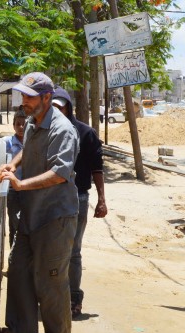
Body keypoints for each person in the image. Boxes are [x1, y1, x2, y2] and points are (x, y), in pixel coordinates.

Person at [0, 72, 79, 333]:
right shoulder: (33, 121)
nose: (24, 103)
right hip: (31, 213)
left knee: (51, 279)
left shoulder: (63, 130)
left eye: (29, 97)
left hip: (55, 216)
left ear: (46, 98)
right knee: (18, 269)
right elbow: (27, 150)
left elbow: (60, 173)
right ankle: (22, 331)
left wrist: (21, 183)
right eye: (22, 96)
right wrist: (12, 165)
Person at [51, 87, 108, 318]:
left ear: (68, 107)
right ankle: (52, 297)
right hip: (51, 198)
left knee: (73, 251)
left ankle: (74, 298)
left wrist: (102, 200)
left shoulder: (86, 133)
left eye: (60, 107)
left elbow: (97, 168)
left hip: (78, 198)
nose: (57, 111)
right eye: (53, 108)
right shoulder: (46, 133)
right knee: (52, 250)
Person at [2, 108, 27, 246]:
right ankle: (14, 256)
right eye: (18, 124)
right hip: (13, 190)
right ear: (13, 126)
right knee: (14, 223)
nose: (21, 127)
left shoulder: (32, 143)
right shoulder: (8, 142)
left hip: (29, 189)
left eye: (24, 124)